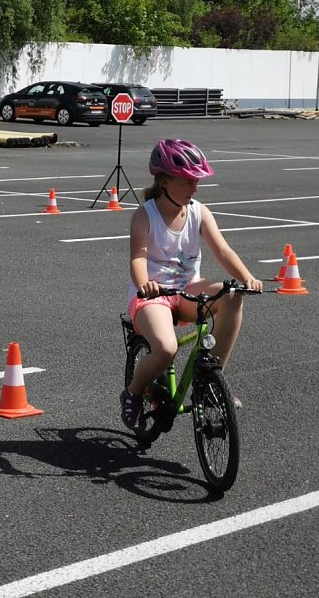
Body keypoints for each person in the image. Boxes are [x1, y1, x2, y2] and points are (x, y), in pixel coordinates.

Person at [121, 139, 263, 428]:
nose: (195, 187)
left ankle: (212, 380)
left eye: (196, 181)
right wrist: (145, 283)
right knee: (166, 348)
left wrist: (247, 276)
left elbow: (223, 251)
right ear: (164, 181)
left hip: (187, 290)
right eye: (187, 181)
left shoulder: (199, 212)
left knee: (233, 295)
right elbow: (138, 258)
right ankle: (133, 393)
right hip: (153, 296)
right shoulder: (144, 216)